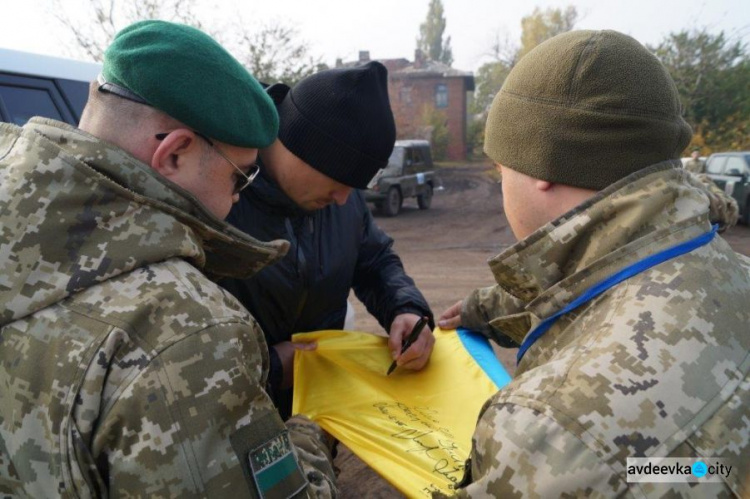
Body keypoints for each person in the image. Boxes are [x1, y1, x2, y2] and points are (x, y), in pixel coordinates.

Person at [0, 20, 337, 497]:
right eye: (239, 178)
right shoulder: (185, 329)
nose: (238, 199)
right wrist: (306, 438)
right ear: (175, 152)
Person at [438, 30, 749, 497]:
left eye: (500, 165)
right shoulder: (729, 268)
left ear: (541, 163)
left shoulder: (555, 429)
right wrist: (488, 308)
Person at [220, 62, 435, 419]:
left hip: (316, 412)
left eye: (355, 186)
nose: (342, 199)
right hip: (232, 421)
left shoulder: (342, 197)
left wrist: (405, 309)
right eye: (339, 180)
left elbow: (375, 261)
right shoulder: (218, 191)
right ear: (298, 144)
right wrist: (271, 368)